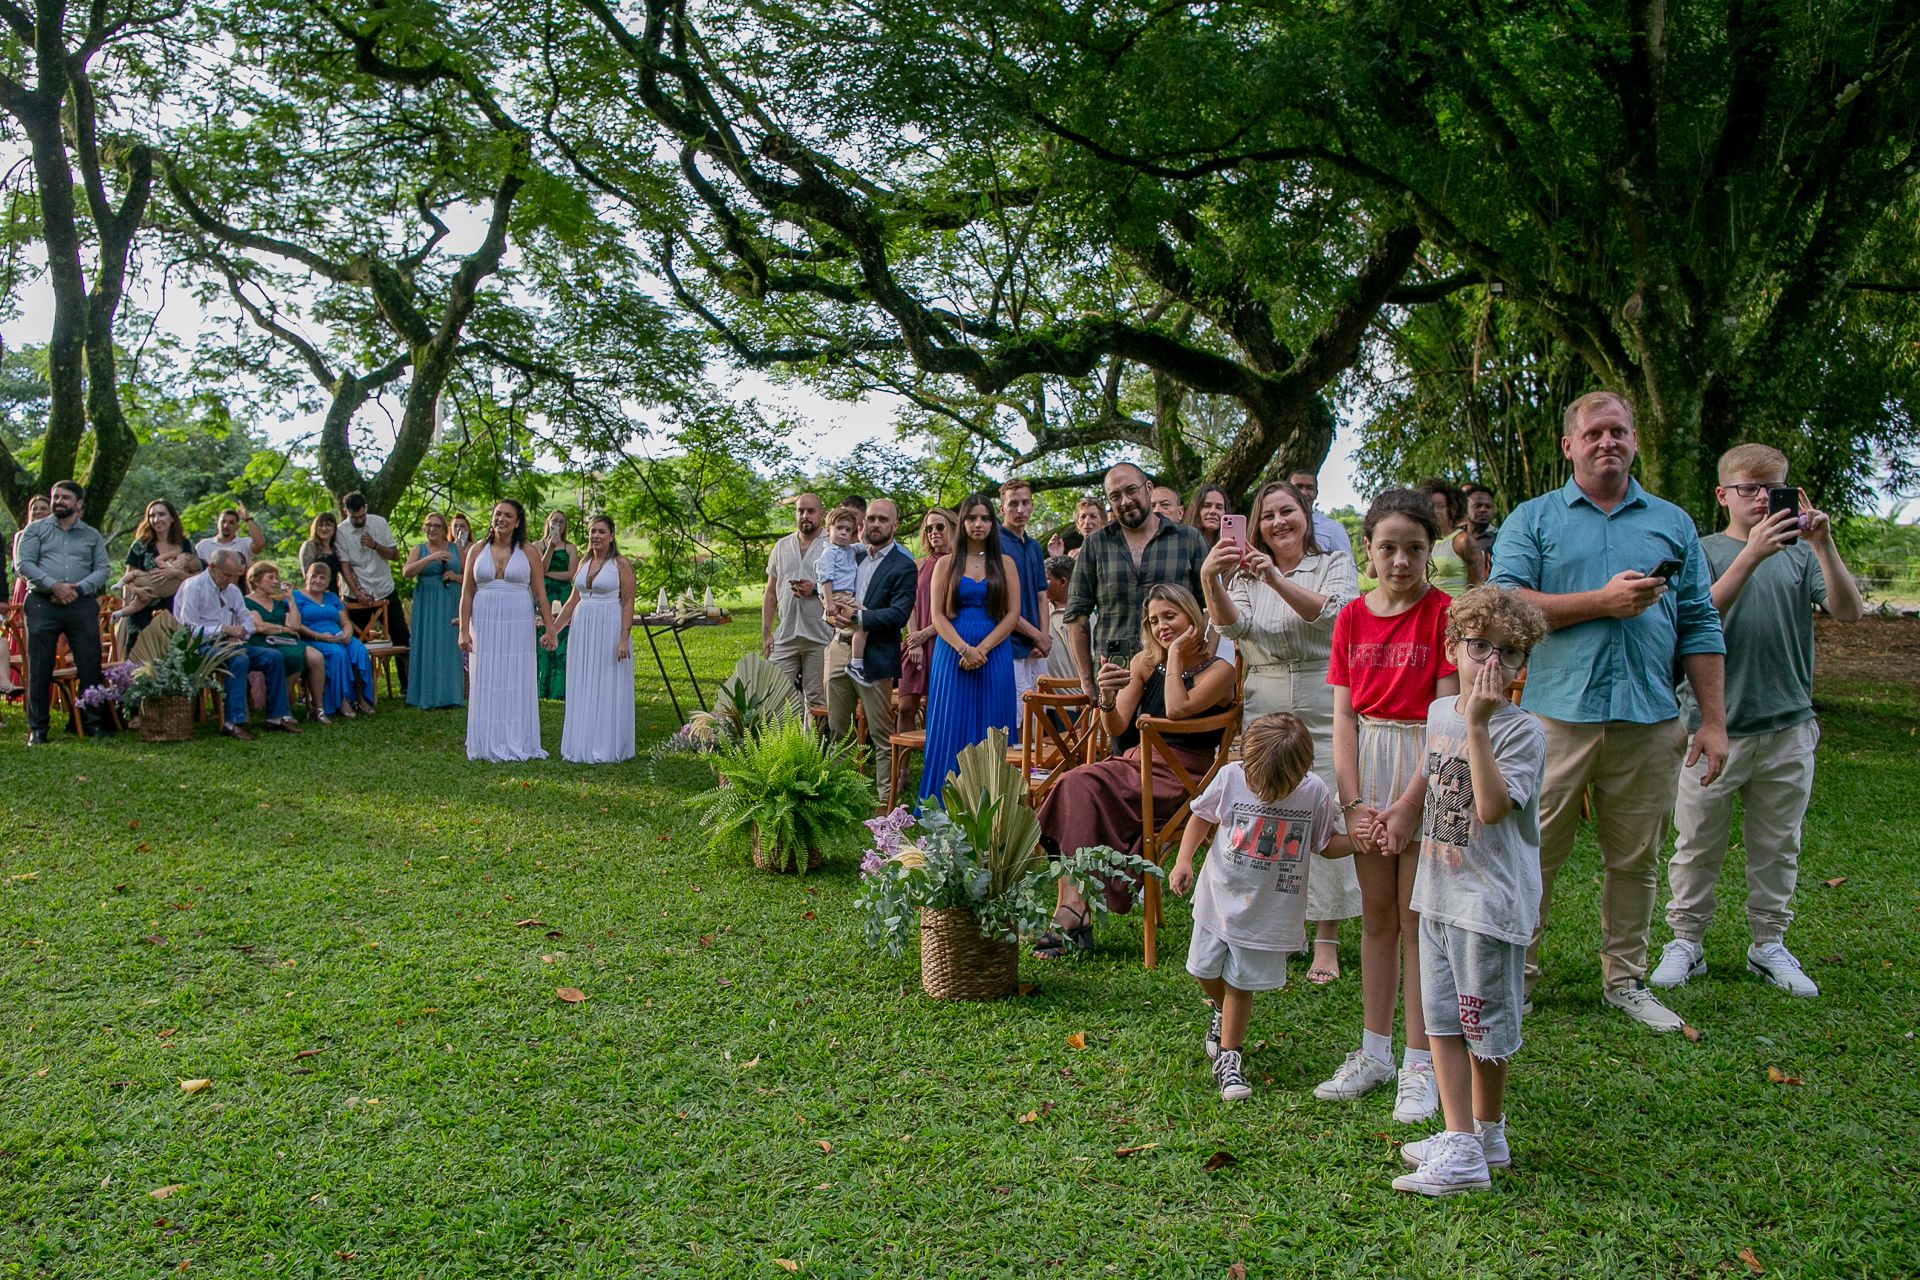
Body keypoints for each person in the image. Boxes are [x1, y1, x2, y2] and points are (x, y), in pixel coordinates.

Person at [1490, 390, 1728, 1032]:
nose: (1607, 442)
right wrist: (1601, 601)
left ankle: (1624, 979)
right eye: (1593, 433)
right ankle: (1518, 976)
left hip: (1649, 717)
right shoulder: (1533, 519)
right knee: (1531, 853)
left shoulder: (1672, 521)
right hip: (1555, 717)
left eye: (1618, 431)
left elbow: (1701, 622)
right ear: (1568, 445)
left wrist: (1712, 719)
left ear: (1634, 441)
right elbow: (1504, 609)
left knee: (1635, 856)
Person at [1651, 444, 1866, 1000]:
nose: (1761, 500)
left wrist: (1823, 543)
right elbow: (1691, 619)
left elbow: (1848, 609)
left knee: (1778, 843)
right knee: (1697, 841)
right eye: (1749, 488)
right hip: (1711, 725)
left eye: (1774, 490)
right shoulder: (1700, 551)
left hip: (1788, 721)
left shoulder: (1798, 554)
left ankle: (1768, 943)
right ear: (1724, 494)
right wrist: (1751, 554)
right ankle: (1686, 941)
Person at [1378, 586, 1549, 1196]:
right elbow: (1430, 769)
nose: (1491, 663)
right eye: (1479, 647)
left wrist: (1478, 725)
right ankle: (1468, 1137)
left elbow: (1495, 807)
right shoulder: (1440, 711)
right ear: (1453, 649)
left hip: (1488, 904)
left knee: (1485, 1028)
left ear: (1522, 665)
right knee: (1443, 1021)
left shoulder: (1521, 732)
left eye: (1507, 653)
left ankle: (1481, 1135)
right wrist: (1402, 808)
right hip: (1438, 890)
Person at [1317, 490, 1458, 1120]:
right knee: (1376, 916)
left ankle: (1419, 1061)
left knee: (1416, 920)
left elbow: (1449, 718)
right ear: (1368, 550)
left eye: (1414, 549)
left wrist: (1406, 806)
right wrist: (1353, 804)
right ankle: (1374, 1052)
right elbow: (1343, 719)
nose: (1401, 561)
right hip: (1368, 767)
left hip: (1426, 769)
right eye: (1388, 548)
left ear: (1430, 551)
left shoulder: (1444, 614)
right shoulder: (1350, 617)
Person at [1202, 478, 1359, 984]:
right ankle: (1268, 924)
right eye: (1267, 516)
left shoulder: (1331, 563)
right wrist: (1212, 581)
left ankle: (1327, 939)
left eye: (1287, 511)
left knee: (1327, 807)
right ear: (1256, 525)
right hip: (1265, 701)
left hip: (1323, 694)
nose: (1278, 523)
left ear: (1307, 513)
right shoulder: (1243, 575)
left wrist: (1274, 578)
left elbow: (1335, 617)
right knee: (1271, 811)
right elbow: (1234, 630)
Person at [1034, 585, 1237, 956]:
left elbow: (1177, 709)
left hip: (1184, 777)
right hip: (1134, 764)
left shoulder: (1221, 669)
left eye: (1170, 616)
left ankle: (1072, 912)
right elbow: (1116, 726)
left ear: (1193, 615)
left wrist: (1174, 655)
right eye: (1154, 620)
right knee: (1073, 783)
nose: (1161, 627)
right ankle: (1072, 908)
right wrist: (1108, 700)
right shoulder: (1145, 661)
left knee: (1080, 786)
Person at [1169, 712, 1348, 1101]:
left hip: (1269, 910)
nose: (1264, 794)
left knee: (1241, 983)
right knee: (1201, 968)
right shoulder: (1231, 777)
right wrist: (1184, 860)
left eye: (1275, 789)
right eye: (1258, 784)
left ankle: (1230, 1059)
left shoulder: (1313, 791)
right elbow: (1201, 815)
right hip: (1218, 896)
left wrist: (1358, 843)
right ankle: (1222, 1013)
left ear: (1300, 773)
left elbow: (1324, 843)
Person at [1063, 462, 1209, 693]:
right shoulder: (1096, 544)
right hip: (1113, 675)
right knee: (1115, 731)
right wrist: (1087, 681)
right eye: (1115, 496)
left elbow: (1209, 609)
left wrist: (1204, 666)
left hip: (1176, 672)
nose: (1125, 501)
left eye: (1131, 490)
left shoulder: (1189, 539)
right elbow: (1076, 616)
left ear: (1148, 489)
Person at [917, 493, 1016, 805]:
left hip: (995, 652)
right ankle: (945, 804)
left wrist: (982, 649)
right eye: (972, 518)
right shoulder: (946, 563)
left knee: (992, 725)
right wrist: (964, 649)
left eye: (985, 518)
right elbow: (937, 616)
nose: (978, 524)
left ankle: (993, 807)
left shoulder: (1006, 563)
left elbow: (1012, 614)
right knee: (950, 724)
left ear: (992, 522)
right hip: (952, 652)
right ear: (962, 522)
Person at [824, 499, 916, 802]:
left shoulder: (903, 566)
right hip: (838, 648)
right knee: (838, 731)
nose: (875, 524)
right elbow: (828, 585)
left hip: (875, 655)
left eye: (883, 520)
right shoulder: (852, 556)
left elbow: (898, 615)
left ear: (895, 525)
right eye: (871, 519)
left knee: (880, 734)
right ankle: (839, 800)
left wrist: (857, 617)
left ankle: (883, 804)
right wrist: (829, 608)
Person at [15, 481, 111, 743]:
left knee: (90, 664)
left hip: (80, 604)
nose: (58, 501)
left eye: (65, 498)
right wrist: (54, 586)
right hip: (42, 604)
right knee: (39, 667)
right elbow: (23, 564)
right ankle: (38, 729)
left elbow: (103, 569)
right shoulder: (35, 530)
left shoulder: (91, 535)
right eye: (55, 497)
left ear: (78, 504)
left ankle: (92, 723)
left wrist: (77, 590)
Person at [460, 499, 554, 762]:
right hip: (485, 619)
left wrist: (550, 629)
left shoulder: (529, 551)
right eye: (498, 514)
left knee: (515, 674)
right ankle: (486, 739)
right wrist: (463, 631)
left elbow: (540, 594)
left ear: (517, 521)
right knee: (487, 674)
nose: (501, 519)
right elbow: (467, 593)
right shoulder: (477, 550)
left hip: (517, 618)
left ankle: (517, 738)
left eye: (508, 515)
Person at [174, 550, 299, 739]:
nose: (231, 580)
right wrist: (223, 630)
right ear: (212, 567)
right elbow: (188, 627)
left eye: (235, 576)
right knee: (239, 659)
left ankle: (277, 716)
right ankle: (234, 721)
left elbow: (246, 620)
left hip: (231, 642)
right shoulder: (194, 587)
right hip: (201, 646)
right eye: (227, 575)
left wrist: (241, 633)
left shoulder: (232, 590)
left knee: (273, 656)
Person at [550, 514, 637, 763]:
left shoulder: (620, 564)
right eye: (592, 532)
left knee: (607, 681)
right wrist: (554, 630)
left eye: (601, 532)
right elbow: (572, 600)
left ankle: (606, 744)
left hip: (609, 626)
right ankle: (582, 740)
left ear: (611, 536)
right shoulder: (584, 563)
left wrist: (623, 638)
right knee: (583, 680)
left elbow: (628, 601)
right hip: (583, 628)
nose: (596, 536)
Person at [761, 493, 833, 709]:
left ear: (821, 514)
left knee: (817, 698)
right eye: (800, 511)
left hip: (820, 634)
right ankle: (781, 741)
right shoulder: (782, 546)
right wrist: (766, 633)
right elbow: (770, 593)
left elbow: (845, 590)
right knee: (771, 694)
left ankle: (820, 742)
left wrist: (815, 589)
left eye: (811, 511)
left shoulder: (831, 547)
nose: (805, 516)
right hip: (787, 633)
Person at [337, 491, 409, 695]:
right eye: (354, 517)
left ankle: (406, 686)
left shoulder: (379, 523)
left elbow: (395, 555)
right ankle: (358, 689)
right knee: (355, 642)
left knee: (402, 638)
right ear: (346, 512)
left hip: (384, 588)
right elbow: (345, 567)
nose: (359, 520)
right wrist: (358, 592)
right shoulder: (341, 532)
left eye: (361, 516)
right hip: (356, 595)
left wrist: (375, 545)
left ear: (366, 508)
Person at [998, 478, 1053, 723]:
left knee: (1038, 714)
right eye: (1013, 504)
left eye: (1025, 503)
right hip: (1009, 644)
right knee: (1017, 713)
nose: (1020, 510)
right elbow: (999, 604)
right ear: (1002, 509)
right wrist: (1036, 635)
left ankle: (1034, 763)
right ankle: (1015, 763)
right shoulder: (995, 544)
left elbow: (1042, 594)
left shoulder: (1034, 547)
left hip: (1036, 646)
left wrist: (1044, 636)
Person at [895, 506, 955, 730]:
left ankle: (933, 761)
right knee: (905, 707)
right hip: (915, 643)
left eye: (940, 527)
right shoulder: (918, 565)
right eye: (929, 528)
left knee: (936, 708)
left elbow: (955, 608)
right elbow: (908, 604)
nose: (934, 532)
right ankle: (902, 765)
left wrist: (927, 634)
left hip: (943, 640)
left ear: (953, 528)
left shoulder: (959, 565)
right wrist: (914, 639)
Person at [243, 560, 326, 721]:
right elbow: (259, 627)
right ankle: (282, 706)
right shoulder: (246, 602)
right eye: (270, 578)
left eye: (276, 578)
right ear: (256, 580)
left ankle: (318, 708)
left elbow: (294, 625)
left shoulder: (279, 603)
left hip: (286, 640)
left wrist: (291, 600)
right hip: (262, 641)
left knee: (317, 657)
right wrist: (282, 629)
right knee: (291, 656)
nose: (276, 581)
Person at [293, 562, 378, 718]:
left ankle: (360, 698)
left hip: (338, 636)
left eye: (322, 578)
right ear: (306, 577)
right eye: (314, 576)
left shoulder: (331, 597)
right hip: (313, 638)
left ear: (328, 582)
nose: (318, 580)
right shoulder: (296, 597)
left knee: (359, 650)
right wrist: (318, 636)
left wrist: (347, 632)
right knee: (338, 654)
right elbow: (296, 625)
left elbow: (345, 621)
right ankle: (341, 700)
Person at [114, 499, 200, 645]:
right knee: (140, 657)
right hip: (143, 606)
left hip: (176, 608)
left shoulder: (185, 545)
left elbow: (198, 578)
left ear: (172, 518)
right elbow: (128, 577)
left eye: (161, 514)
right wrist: (137, 590)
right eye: (152, 516)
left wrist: (176, 574)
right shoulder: (141, 544)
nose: (156, 519)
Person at [403, 512, 465, 710]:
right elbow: (407, 573)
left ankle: (450, 695)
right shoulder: (419, 549)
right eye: (428, 525)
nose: (432, 529)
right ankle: (426, 695)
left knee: (448, 644)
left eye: (437, 526)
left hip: (450, 599)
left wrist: (455, 577)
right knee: (428, 642)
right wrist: (431, 558)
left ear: (444, 529)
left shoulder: (456, 548)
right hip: (427, 600)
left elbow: (471, 578)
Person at [816, 506, 867, 684]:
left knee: (862, 624)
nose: (843, 533)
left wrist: (862, 537)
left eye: (847, 530)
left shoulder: (849, 550)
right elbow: (826, 580)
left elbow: (865, 547)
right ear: (828, 529)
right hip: (838, 596)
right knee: (865, 622)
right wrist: (829, 604)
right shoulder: (829, 553)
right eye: (839, 528)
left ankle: (856, 659)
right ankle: (856, 663)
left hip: (848, 596)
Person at [531, 510, 577, 700]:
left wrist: (547, 574)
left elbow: (571, 574)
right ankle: (540, 689)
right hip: (543, 595)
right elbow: (537, 571)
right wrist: (549, 548)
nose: (558, 524)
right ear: (548, 523)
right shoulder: (536, 546)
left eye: (562, 521)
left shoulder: (570, 547)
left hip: (564, 595)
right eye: (554, 520)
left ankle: (559, 690)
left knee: (561, 639)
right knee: (541, 637)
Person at [1288, 469, 1355, 564]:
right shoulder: (1278, 527)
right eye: (1298, 487)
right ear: (1287, 491)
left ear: (1316, 494)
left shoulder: (1334, 529)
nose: (1303, 493)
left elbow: (1349, 566)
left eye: (1309, 488)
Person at [299, 512, 364, 605]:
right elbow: (307, 575)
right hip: (315, 597)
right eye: (320, 525)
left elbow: (346, 572)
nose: (324, 528)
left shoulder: (336, 548)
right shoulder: (309, 546)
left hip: (333, 596)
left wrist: (359, 592)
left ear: (334, 528)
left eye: (328, 525)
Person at [1420, 480, 1471, 591]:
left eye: (1441, 506)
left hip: (1457, 605)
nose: (1435, 511)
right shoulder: (1420, 542)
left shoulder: (1462, 540)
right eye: (1431, 506)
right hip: (1428, 606)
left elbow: (1478, 583)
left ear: (1451, 509)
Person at [194, 503, 266, 567]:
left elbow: (260, 544)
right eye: (223, 521)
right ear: (217, 524)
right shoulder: (203, 545)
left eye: (231, 523)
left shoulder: (245, 543)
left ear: (237, 527)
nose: (225, 526)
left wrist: (247, 519)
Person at [1042, 556, 1078, 682]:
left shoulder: (1082, 617)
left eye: (1045, 579)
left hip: (1076, 697)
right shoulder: (1042, 608)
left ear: (1062, 582)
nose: (1039, 584)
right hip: (1043, 695)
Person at [1460, 484, 1499, 584]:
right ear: (1465, 509)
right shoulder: (1455, 538)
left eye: (1488, 506)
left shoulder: (1500, 539)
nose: (1483, 510)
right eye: (1477, 506)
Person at [1186, 484, 1230, 548]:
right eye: (1206, 506)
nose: (1213, 511)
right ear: (1196, 511)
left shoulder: (1231, 546)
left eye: (1219, 507)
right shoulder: (1182, 542)